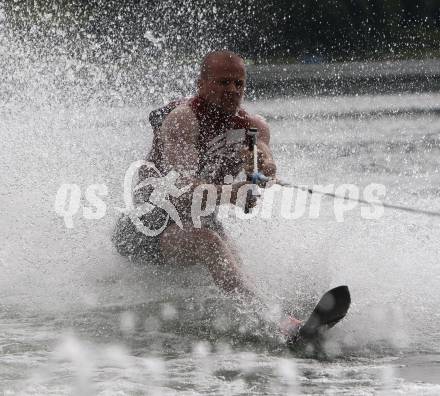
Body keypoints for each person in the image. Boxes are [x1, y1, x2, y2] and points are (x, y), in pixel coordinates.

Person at [113, 50, 277, 300]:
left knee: (234, 258)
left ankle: (281, 317)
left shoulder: (254, 127)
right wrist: (234, 194)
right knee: (211, 244)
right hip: (147, 226)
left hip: (199, 221)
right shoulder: (183, 120)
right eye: (223, 82)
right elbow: (181, 192)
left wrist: (262, 169)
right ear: (201, 84)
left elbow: (265, 164)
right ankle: (269, 318)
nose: (232, 89)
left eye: (239, 83)